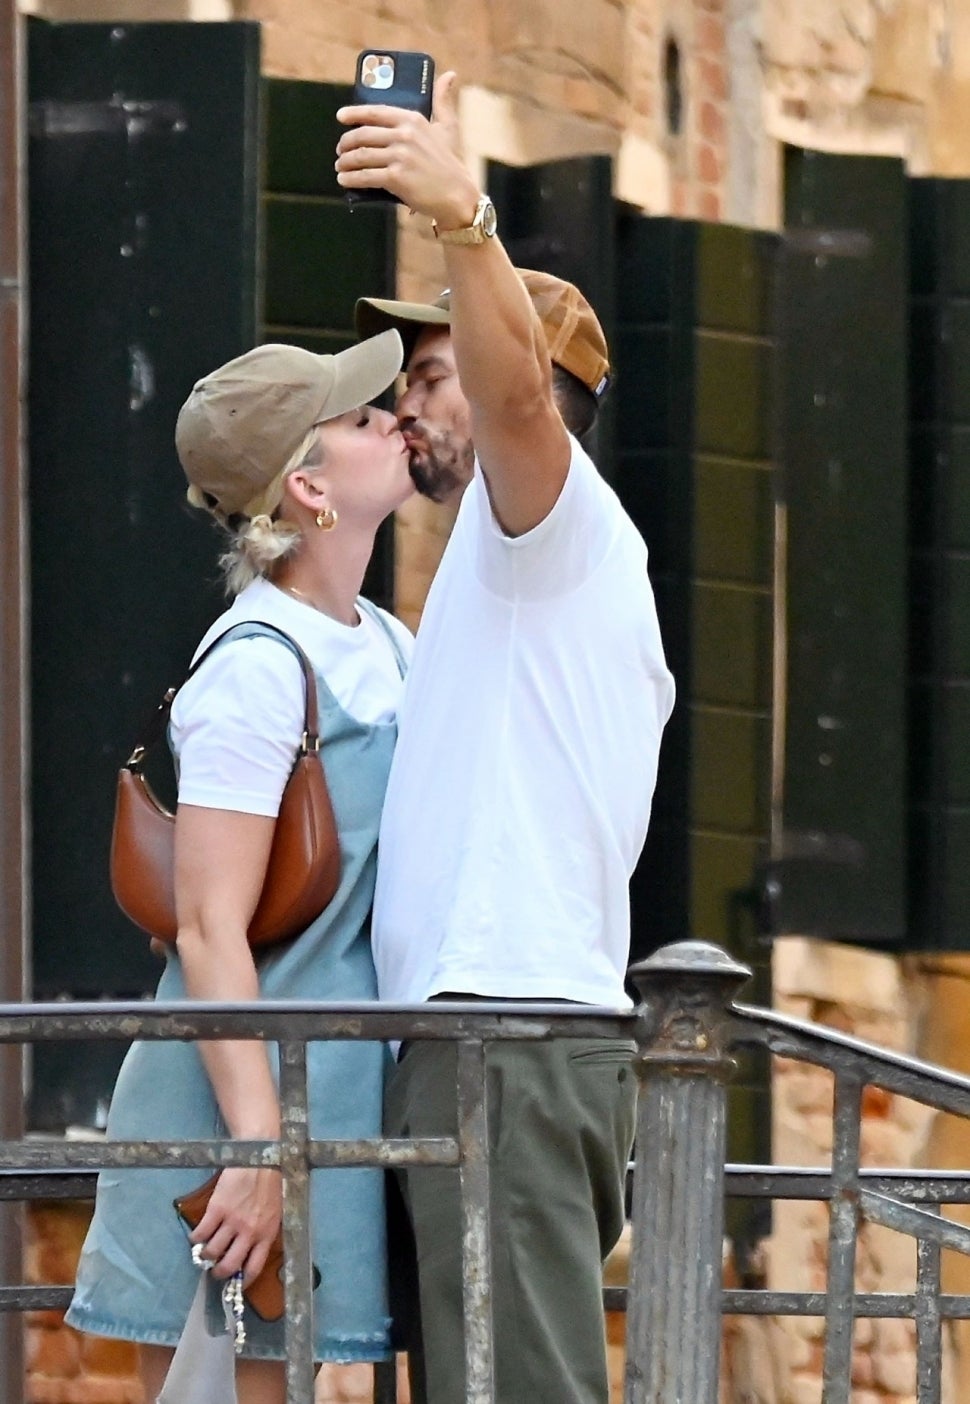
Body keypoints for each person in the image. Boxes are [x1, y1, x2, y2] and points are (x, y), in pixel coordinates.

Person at [336, 74, 676, 1404]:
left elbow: (519, 404)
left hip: (511, 1044)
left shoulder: (550, 524)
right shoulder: (500, 571)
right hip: (481, 1043)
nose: (407, 407)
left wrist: (462, 222)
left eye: (431, 375)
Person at [66, 329, 415, 1404]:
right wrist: (262, 1150)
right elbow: (208, 926)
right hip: (232, 1118)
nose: (395, 421)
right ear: (309, 486)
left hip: (330, 1103)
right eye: (363, 419)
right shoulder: (255, 669)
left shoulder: (388, 645)